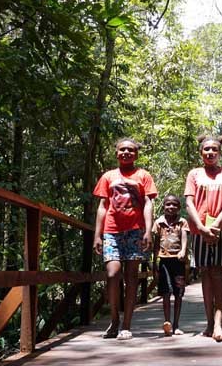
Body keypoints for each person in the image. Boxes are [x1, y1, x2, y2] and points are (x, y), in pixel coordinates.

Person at [92, 138, 157, 340]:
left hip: (135, 231)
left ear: (136, 154)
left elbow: (148, 203)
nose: (126, 152)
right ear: (117, 153)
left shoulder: (143, 175)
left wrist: (147, 230)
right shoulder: (108, 176)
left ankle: (126, 324)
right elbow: (103, 206)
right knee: (112, 275)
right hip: (112, 231)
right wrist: (97, 234)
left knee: (131, 278)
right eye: (122, 150)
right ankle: (114, 319)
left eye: (130, 150)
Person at [184, 135, 222, 342]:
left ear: (220, 152)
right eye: (206, 150)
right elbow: (189, 202)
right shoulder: (194, 174)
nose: (210, 153)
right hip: (199, 230)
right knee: (205, 274)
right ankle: (209, 322)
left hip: (221, 228)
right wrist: (202, 228)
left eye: (214, 149)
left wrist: (216, 225)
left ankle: (219, 323)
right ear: (201, 152)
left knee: (218, 273)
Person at [151, 194, 189, 336]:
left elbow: (184, 237)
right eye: (168, 204)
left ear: (179, 208)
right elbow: (155, 243)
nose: (171, 207)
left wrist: (183, 251)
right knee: (165, 292)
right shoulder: (159, 223)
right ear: (164, 206)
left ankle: (177, 324)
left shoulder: (182, 222)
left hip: (178, 261)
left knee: (178, 293)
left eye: (174, 205)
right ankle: (167, 322)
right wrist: (154, 263)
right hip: (164, 261)